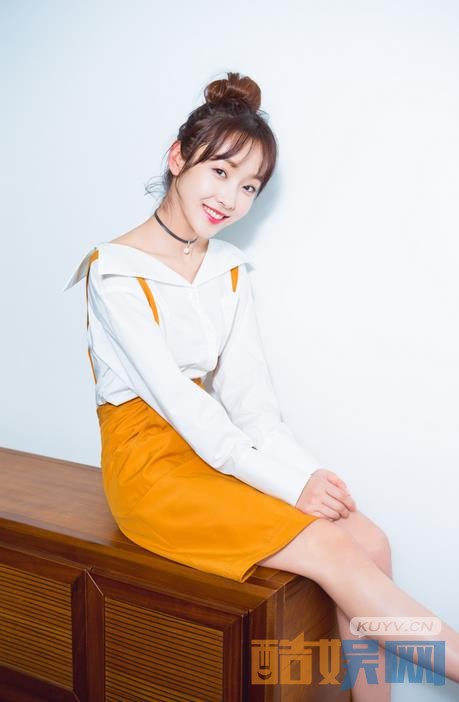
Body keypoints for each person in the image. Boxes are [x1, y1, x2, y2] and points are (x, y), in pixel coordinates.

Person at [63, 71, 459, 697]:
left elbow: (252, 406)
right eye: (220, 172)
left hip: (218, 448)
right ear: (178, 159)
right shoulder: (113, 273)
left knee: (370, 540)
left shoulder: (228, 268)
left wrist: (307, 473)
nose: (231, 198)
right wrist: (291, 488)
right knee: (331, 550)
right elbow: (185, 409)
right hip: (152, 470)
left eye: (249, 186)